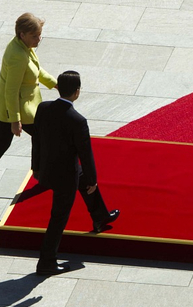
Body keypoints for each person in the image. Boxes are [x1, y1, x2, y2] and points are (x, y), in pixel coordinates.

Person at [32, 71, 119, 276]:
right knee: (58, 218)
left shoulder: (43, 108)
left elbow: (36, 140)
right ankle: (46, 262)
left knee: (81, 176)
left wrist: (35, 167)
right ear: (77, 92)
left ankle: (100, 216)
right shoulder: (77, 120)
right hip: (65, 176)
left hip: (47, 169)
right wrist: (93, 180)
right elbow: (85, 153)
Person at [0, 13, 57, 205]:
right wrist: (15, 120)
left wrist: (56, 84)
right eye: (35, 36)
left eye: (40, 35)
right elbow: (11, 90)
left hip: (16, 108)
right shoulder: (17, 56)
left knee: (0, 146)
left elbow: (36, 70)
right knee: (35, 135)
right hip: (12, 110)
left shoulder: (22, 46)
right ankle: (39, 173)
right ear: (22, 34)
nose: (38, 40)